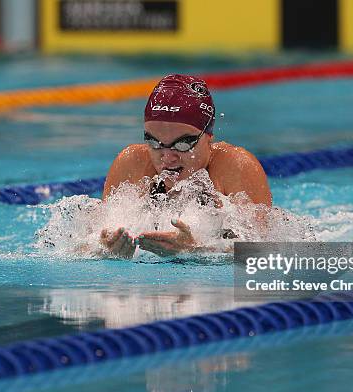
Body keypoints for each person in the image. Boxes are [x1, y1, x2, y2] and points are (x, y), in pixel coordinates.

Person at [100, 74, 271, 258]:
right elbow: (85, 243)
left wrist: (197, 251)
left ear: (208, 136)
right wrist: (106, 250)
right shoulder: (132, 164)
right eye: (155, 143)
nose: (167, 157)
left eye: (182, 144)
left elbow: (262, 253)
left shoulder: (235, 167)